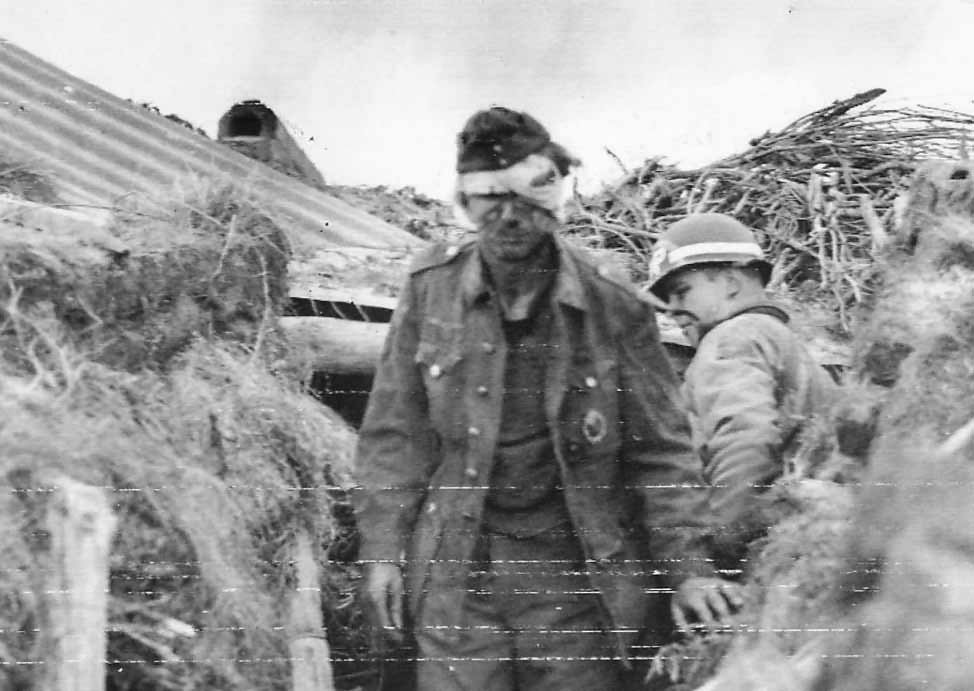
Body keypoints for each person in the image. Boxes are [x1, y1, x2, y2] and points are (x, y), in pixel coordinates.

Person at [353, 107, 740, 691]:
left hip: (575, 582)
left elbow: (661, 450)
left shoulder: (614, 304)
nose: (509, 217)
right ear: (466, 202)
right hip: (458, 574)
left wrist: (689, 568)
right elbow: (394, 434)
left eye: (527, 195)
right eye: (488, 198)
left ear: (555, 196)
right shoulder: (429, 289)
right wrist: (382, 552)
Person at [646, 213, 837, 567]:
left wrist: (720, 551)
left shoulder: (732, 338)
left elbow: (743, 438)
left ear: (731, 282)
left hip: (770, 551)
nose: (672, 310)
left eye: (682, 291)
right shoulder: (782, 342)